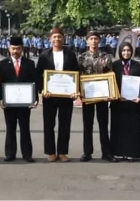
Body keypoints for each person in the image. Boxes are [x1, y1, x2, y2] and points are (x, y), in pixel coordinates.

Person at [36, 27, 80, 162]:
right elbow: (38, 75)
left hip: (66, 96)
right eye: (54, 37)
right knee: (49, 124)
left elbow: (76, 74)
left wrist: (76, 91)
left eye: (59, 36)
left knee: (65, 124)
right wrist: (42, 90)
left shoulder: (70, 55)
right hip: (49, 95)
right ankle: (50, 152)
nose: (57, 39)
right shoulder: (44, 55)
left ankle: (62, 152)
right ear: (50, 39)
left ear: (63, 38)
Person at [78, 31, 117, 162]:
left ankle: (106, 152)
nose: (93, 41)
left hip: (102, 96)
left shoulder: (106, 57)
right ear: (87, 41)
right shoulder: (81, 57)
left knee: (103, 124)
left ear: (99, 41)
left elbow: (111, 76)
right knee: (87, 124)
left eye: (96, 39)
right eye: (91, 39)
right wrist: (78, 92)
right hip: (87, 96)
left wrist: (110, 93)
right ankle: (87, 152)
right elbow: (78, 77)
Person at [0, 36, 37, 163]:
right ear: (9, 49)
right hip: (9, 102)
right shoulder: (3, 64)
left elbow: (34, 81)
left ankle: (27, 154)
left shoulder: (29, 64)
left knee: (25, 128)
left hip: (25, 102)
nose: (15, 51)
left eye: (18, 49)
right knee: (10, 128)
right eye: (13, 49)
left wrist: (35, 98)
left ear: (22, 49)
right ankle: (10, 154)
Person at [110, 42, 140, 161]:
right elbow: (111, 83)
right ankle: (118, 152)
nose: (126, 53)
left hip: (134, 103)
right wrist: (116, 96)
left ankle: (132, 153)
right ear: (120, 51)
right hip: (119, 103)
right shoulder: (114, 65)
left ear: (132, 52)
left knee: (132, 128)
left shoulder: (138, 65)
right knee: (119, 128)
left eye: (128, 50)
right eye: (124, 50)